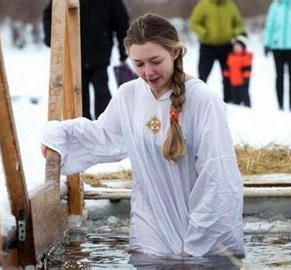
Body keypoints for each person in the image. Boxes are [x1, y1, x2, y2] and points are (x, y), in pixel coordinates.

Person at [41, 13, 244, 258]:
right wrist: (58, 135)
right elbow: (104, 137)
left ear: (175, 53)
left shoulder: (203, 101)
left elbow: (218, 178)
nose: (148, 72)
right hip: (151, 236)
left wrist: (195, 246)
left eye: (155, 61)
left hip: (202, 244)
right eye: (139, 64)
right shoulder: (129, 96)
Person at [43, 0, 130, 120]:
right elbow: (51, 13)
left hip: (99, 55)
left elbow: (121, 22)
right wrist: (52, 39)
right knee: (79, 97)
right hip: (75, 56)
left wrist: (124, 49)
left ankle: (105, 127)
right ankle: (83, 129)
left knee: (101, 94)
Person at [189, 0, 244, 104]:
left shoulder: (230, 6)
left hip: (226, 46)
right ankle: (199, 101)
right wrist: (204, 33)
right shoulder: (203, 5)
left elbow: (239, 24)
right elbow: (194, 23)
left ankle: (229, 101)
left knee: (228, 76)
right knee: (203, 75)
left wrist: (233, 33)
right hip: (207, 47)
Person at [263, 0, 291, 112]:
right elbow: (270, 25)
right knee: (279, 76)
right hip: (277, 46)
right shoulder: (275, 5)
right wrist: (267, 43)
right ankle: (280, 105)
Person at [223, 34, 252, 107]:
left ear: (243, 48)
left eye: (239, 47)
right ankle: (236, 106)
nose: (237, 49)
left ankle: (247, 107)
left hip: (243, 82)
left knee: (245, 95)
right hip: (233, 81)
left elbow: (247, 69)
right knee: (235, 97)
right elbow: (227, 68)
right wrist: (226, 77)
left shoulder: (246, 57)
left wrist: (246, 79)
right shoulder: (231, 56)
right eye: (235, 47)